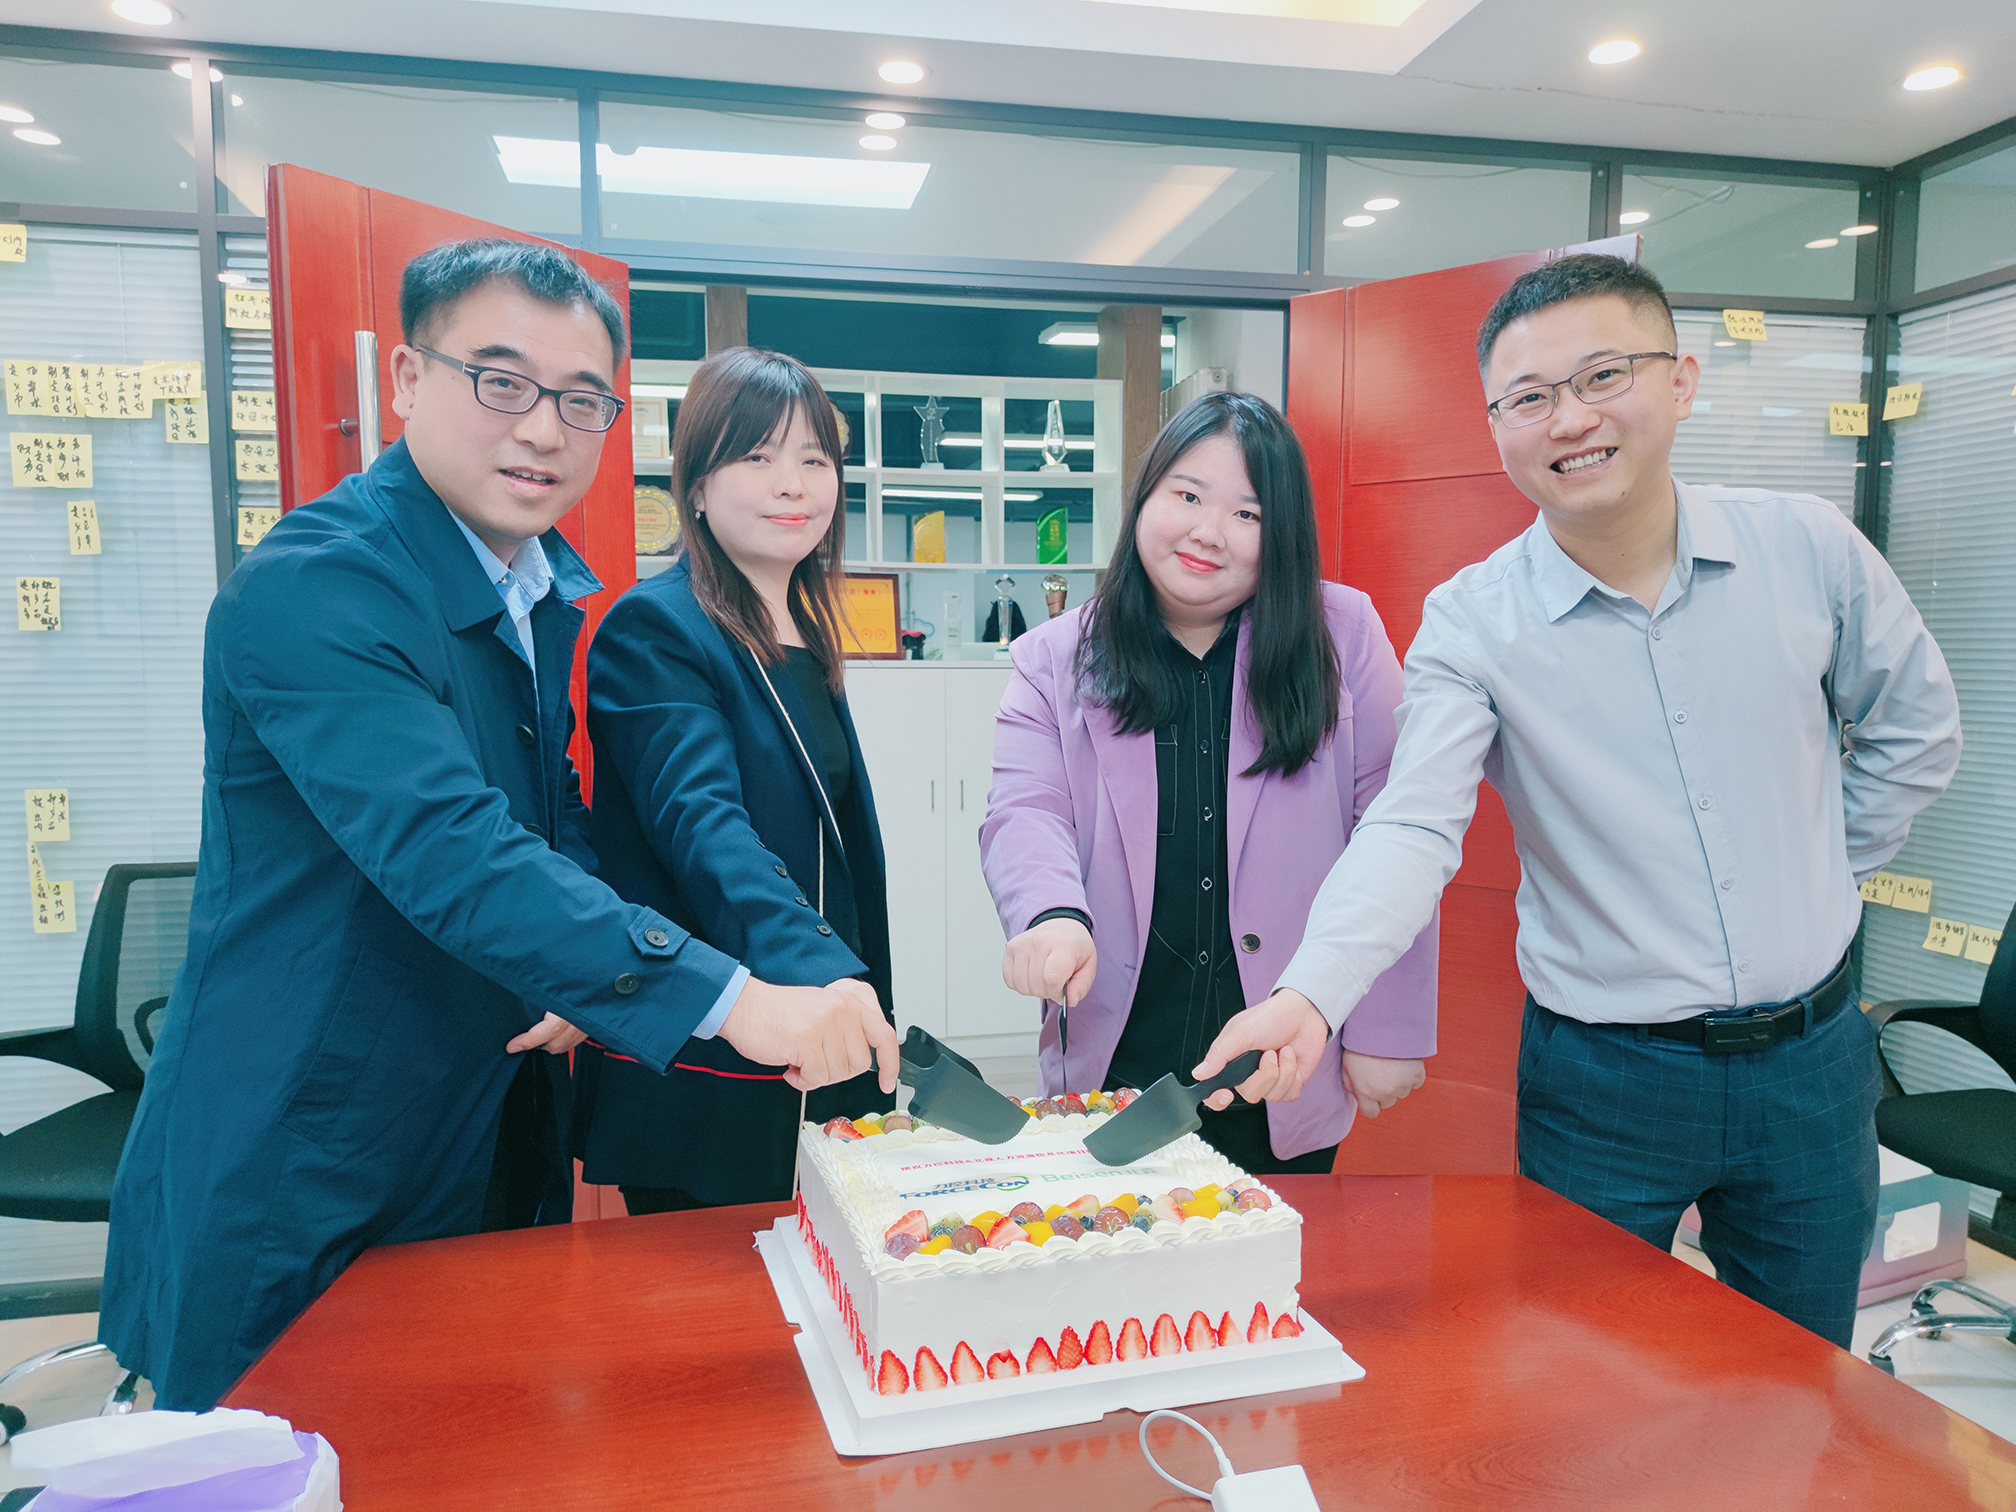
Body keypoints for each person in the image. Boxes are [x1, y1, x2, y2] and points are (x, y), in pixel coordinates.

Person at [101, 242, 897, 1411]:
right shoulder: (322, 582)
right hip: (314, 1140)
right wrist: (735, 997)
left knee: (468, 1443)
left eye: (580, 400)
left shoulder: (535, 591)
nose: (540, 429)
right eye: (500, 380)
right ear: (406, 380)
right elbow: (453, 847)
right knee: (301, 1454)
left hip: (486, 1115)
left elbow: (553, 823)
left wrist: (582, 976)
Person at [1196, 254, 1960, 1346]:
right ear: (1495, 426)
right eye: (1529, 398)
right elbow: (1412, 826)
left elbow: (1917, 731)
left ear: (1681, 380)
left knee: (1800, 1379)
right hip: (1607, 1080)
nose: (1570, 420)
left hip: (1814, 1062)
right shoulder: (1473, 621)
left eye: (1604, 375)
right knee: (1582, 1378)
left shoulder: (1807, 548)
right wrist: (1312, 996)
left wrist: (1816, 869)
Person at [980, 392, 1438, 1173]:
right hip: (1120, 1056)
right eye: (1187, 496)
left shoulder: (1343, 635)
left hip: (1282, 1054)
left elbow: (1394, 835)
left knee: (1279, 1252)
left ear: (1282, 534)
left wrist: (1387, 1029)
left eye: (1247, 514)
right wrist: (1050, 914)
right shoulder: (1053, 658)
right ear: (1145, 498)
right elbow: (1026, 811)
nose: (1206, 532)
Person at [575, 347, 896, 1211]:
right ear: (696, 486)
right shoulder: (657, 627)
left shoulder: (802, 626)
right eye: (757, 456)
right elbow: (704, 826)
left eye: (815, 460)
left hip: (820, 1047)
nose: (793, 485)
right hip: (711, 1073)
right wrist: (821, 970)